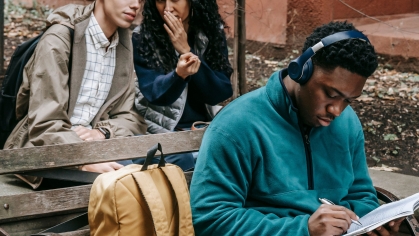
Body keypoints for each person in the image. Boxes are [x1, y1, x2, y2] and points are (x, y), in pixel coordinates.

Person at [190, 21, 405, 236]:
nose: (337, 110)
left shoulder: (347, 123)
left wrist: (374, 220)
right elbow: (211, 218)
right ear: (301, 71)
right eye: (331, 94)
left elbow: (361, 195)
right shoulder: (236, 126)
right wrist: (303, 229)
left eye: (348, 100)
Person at [4, 0, 146, 189]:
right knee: (130, 183)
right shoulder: (59, 39)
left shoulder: (123, 45)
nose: (136, 5)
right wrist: (83, 160)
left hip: (97, 150)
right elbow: (45, 125)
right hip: (46, 155)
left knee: (172, 163)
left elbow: (130, 117)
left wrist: (102, 132)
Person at [131, 0, 233, 170]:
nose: (168, 9)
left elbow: (221, 91)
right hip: (160, 130)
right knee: (183, 161)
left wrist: (186, 51)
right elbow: (155, 94)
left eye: (176, 0)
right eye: (161, 1)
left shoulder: (210, 31)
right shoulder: (144, 35)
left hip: (202, 128)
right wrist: (179, 75)